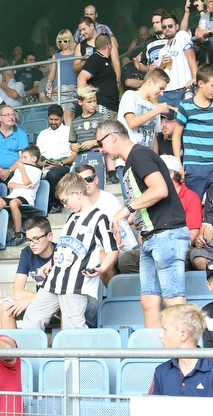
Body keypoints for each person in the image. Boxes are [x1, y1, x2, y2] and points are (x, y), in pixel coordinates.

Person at [97, 120, 188, 328]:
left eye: (100, 143)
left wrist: (124, 210)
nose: (101, 150)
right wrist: (120, 221)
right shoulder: (131, 161)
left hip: (167, 234)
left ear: (112, 136)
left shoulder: (139, 155)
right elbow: (145, 202)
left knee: (173, 301)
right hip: (150, 237)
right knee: (148, 301)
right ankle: (153, 356)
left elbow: (159, 190)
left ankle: (186, 356)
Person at [22, 172, 118, 330]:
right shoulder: (71, 218)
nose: (64, 205)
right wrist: (50, 263)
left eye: (65, 201)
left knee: (73, 328)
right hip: (53, 280)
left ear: (78, 194)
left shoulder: (100, 218)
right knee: (32, 317)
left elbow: (112, 250)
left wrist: (102, 268)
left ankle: (82, 355)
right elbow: (64, 247)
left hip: (75, 284)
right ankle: (31, 355)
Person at [171, 63, 213, 202]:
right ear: (201, 83)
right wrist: (178, 164)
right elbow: (176, 136)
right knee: (194, 204)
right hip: (193, 165)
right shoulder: (185, 106)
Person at [0, 216, 55, 328]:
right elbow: (18, 291)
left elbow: (62, 295)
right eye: (28, 240)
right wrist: (33, 299)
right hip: (39, 303)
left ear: (49, 236)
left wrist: (31, 299)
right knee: (7, 307)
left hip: (57, 304)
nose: (32, 244)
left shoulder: (60, 253)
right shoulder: (27, 253)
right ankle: (12, 344)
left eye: (35, 239)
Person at [117, 68, 171, 149]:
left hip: (147, 157)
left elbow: (154, 138)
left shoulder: (155, 107)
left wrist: (154, 160)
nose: (162, 93)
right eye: (160, 88)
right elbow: (131, 122)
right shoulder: (130, 95)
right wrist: (157, 110)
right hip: (128, 155)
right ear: (149, 82)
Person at [36, 105, 78, 208]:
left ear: (62, 118)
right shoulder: (42, 134)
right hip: (44, 165)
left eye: (56, 119)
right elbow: (37, 155)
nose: (53, 122)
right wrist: (41, 163)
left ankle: (55, 204)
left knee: (53, 174)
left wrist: (60, 163)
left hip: (63, 165)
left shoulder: (69, 131)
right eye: (51, 119)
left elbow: (74, 154)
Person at [3, 145, 42, 246]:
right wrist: (23, 186)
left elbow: (27, 181)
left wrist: (23, 170)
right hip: (14, 195)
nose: (22, 160)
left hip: (26, 197)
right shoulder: (18, 170)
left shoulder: (37, 171)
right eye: (22, 157)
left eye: (25, 157)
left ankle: (18, 233)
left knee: (13, 203)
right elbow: (9, 184)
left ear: (34, 159)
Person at [156, 13, 197, 106]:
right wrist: (162, 64)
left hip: (182, 90)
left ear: (177, 26)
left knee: (183, 119)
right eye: (164, 26)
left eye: (170, 26)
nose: (167, 28)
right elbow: (158, 73)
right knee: (164, 121)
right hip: (164, 93)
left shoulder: (181, 36)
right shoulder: (162, 50)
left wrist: (195, 78)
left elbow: (191, 56)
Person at [160, 156, 202, 246]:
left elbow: (193, 233)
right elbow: (142, 233)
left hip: (180, 247)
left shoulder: (191, 197)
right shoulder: (153, 196)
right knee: (128, 257)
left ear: (171, 174)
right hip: (153, 246)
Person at [0, 106, 29, 184]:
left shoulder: (21, 134)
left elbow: (23, 157)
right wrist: (0, 170)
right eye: (7, 115)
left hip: (14, 170)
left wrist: (9, 170)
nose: (11, 117)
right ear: (0, 117)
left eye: (13, 115)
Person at [77, 34, 120, 113]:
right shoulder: (96, 59)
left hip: (111, 106)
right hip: (102, 107)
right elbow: (81, 78)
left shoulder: (104, 60)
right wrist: (88, 101)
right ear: (109, 45)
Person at [47, 30, 78, 123]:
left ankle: (69, 137)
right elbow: (52, 72)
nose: (62, 43)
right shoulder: (55, 56)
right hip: (57, 88)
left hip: (71, 88)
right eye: (60, 41)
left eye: (65, 40)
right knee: (56, 116)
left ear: (70, 40)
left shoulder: (76, 53)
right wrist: (49, 80)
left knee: (69, 115)